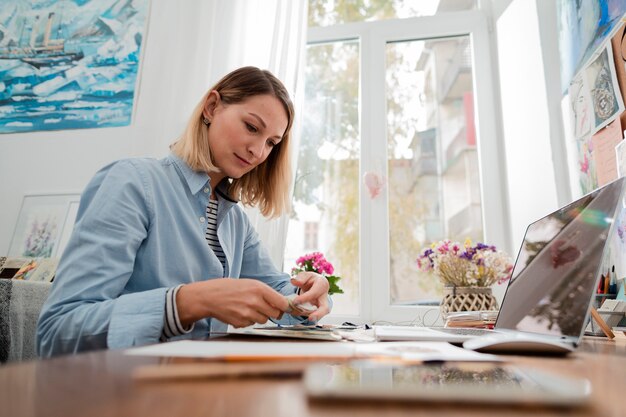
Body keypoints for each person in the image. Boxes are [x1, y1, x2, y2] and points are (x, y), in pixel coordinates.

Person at [36, 66, 331, 357]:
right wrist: (186, 302)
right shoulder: (133, 183)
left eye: (271, 143)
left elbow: (281, 294)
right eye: (251, 128)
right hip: (124, 397)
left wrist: (308, 296)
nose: (258, 151)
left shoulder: (235, 222)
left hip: (198, 396)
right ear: (212, 107)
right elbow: (57, 333)